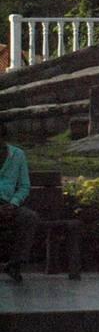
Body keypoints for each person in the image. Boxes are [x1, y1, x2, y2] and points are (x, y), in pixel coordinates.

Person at [0, 120, 36, 283]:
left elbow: (24, 186)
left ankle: (15, 264)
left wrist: (13, 204)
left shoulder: (17, 155)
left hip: (9, 204)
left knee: (29, 217)